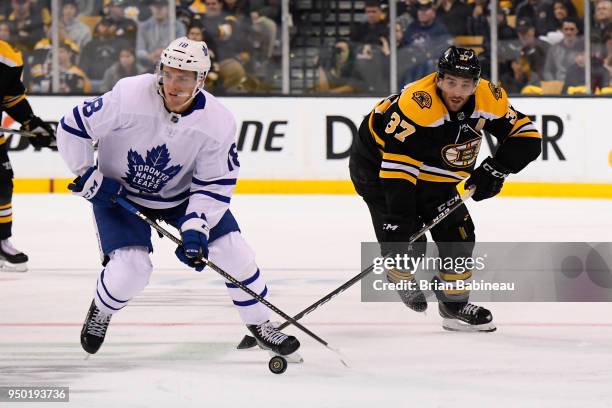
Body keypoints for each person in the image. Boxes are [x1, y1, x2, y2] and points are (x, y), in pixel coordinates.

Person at [56, 37, 300, 357]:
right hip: (119, 195)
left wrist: (196, 226)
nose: (173, 84)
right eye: (168, 74)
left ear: (200, 80)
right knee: (131, 271)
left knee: (234, 253)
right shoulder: (130, 94)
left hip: (181, 198)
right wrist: (87, 174)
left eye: (183, 77)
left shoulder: (218, 121)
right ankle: (102, 308)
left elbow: (214, 182)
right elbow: (73, 126)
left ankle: (260, 323)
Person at [349, 46, 542, 332]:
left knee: (459, 236)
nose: (458, 91)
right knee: (408, 242)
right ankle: (399, 272)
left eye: (466, 84)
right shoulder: (418, 104)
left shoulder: (489, 99)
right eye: (451, 81)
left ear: (476, 84)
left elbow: (527, 138)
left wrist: (495, 168)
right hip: (378, 168)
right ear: (438, 79)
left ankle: (453, 306)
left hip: (435, 167)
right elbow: (399, 174)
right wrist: (397, 223)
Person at [0, 39, 55, 271]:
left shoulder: (6, 56)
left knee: (2, 186)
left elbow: (11, 98)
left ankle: (1, 242)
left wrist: (30, 122)